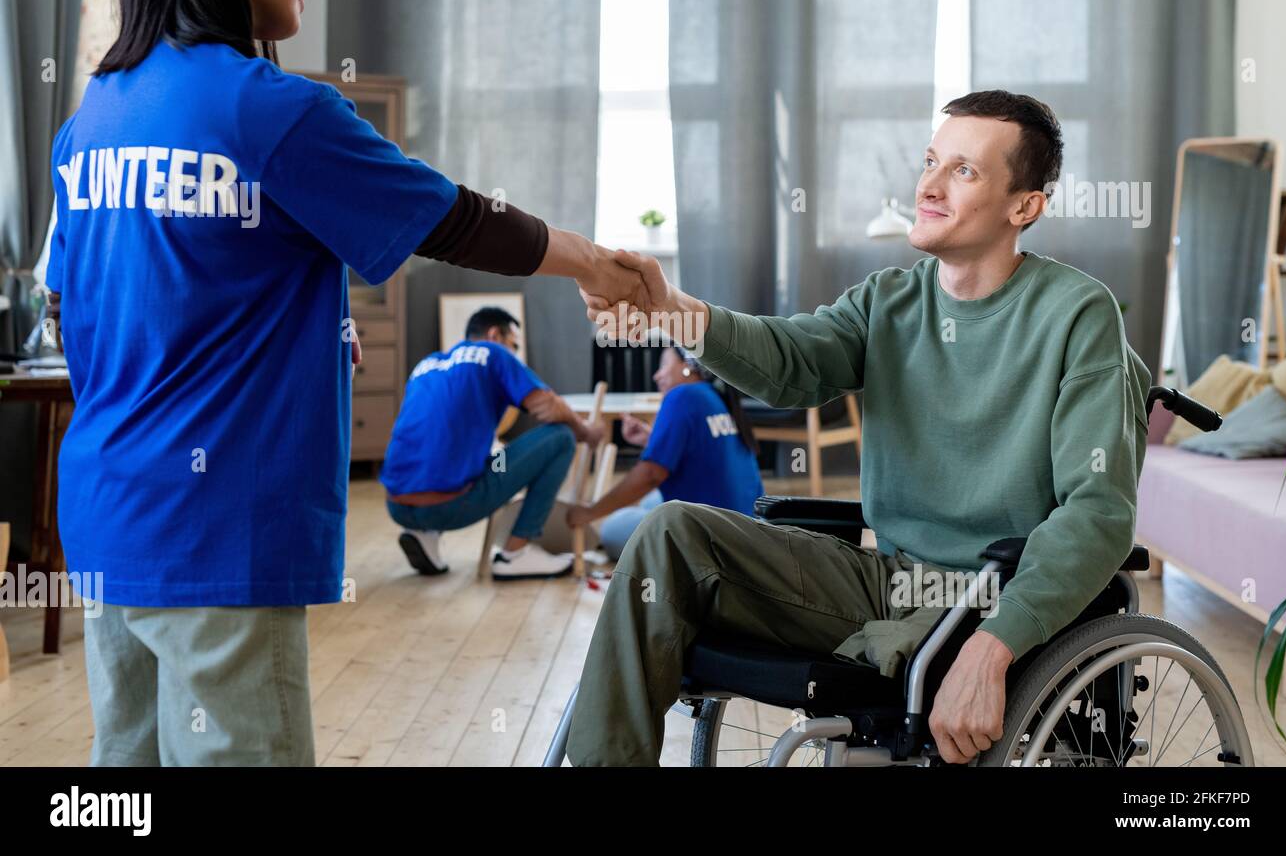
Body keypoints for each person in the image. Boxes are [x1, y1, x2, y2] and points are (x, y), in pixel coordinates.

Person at [46, 0, 644, 766]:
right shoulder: (271, 110)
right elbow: (457, 220)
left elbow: (80, 312)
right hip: (220, 535)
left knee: (126, 773)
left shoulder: (89, 122)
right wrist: (593, 263)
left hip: (107, 520)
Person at [570, 89, 1151, 766]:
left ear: (1024, 206)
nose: (928, 185)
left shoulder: (1078, 314)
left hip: (989, 594)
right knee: (670, 534)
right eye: (931, 161)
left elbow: (1098, 512)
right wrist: (670, 308)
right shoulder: (890, 300)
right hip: (888, 578)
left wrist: (996, 641)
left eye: (963, 171)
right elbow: (788, 361)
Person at [382, 307, 604, 579]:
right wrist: (586, 431)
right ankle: (516, 553)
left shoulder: (426, 365)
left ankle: (423, 534)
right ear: (494, 334)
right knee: (560, 437)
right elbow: (547, 407)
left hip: (396, 505)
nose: (514, 353)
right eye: (513, 344)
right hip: (450, 506)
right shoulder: (492, 353)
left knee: (481, 458)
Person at [565, 345, 762, 561]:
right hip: (747, 530)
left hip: (709, 540)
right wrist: (653, 440)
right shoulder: (715, 396)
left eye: (664, 365)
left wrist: (591, 512)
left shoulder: (681, 395)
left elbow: (651, 474)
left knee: (611, 529)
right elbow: (704, 454)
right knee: (651, 502)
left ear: (688, 367)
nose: (656, 375)